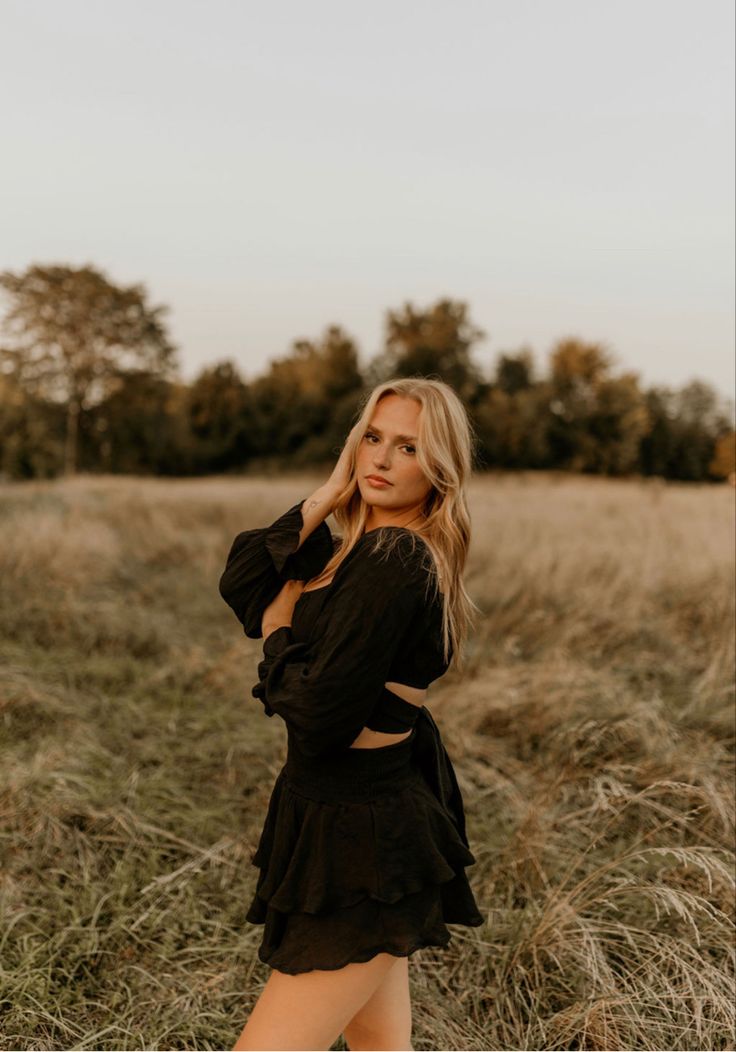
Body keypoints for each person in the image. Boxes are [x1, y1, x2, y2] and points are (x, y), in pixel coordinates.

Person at [219, 378, 484, 1051]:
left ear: (440, 468)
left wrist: (280, 632)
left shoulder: (394, 559)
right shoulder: (357, 546)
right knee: (378, 1047)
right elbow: (247, 574)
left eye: (408, 448)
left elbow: (319, 714)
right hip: (336, 816)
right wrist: (332, 493)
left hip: (362, 837)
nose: (383, 460)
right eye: (373, 438)